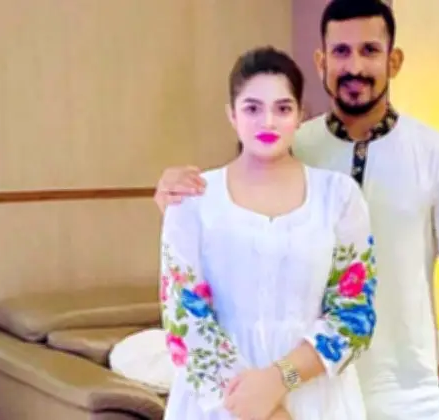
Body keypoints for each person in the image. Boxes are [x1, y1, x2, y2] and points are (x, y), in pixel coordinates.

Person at [156, 1, 439, 419]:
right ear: (321, 61)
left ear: (394, 60)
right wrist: (174, 196)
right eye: (341, 51)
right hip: (297, 389)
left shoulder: (438, 154)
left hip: (402, 391)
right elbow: (224, 249)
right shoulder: (292, 142)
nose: (355, 66)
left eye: (370, 50)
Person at [160, 46, 378, 420]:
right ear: (232, 115)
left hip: (316, 394)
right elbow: (185, 322)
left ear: (300, 115)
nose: (268, 122)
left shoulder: (339, 196)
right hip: (220, 401)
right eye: (252, 108)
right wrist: (265, 411)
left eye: (283, 108)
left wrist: (280, 380)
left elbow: (354, 314)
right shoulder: (192, 200)